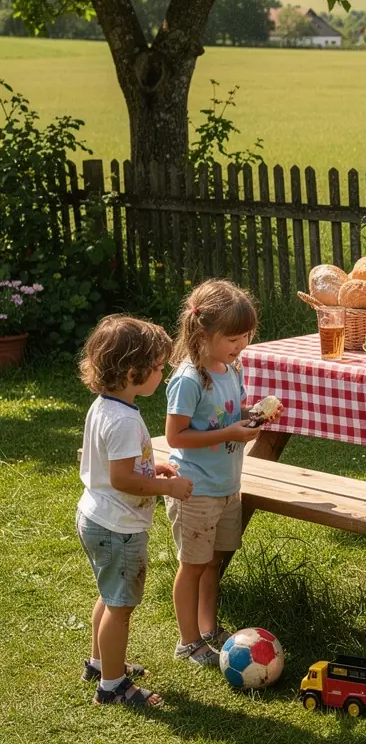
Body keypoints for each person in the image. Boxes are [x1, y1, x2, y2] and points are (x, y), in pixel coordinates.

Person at [77, 315, 193, 708]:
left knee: (109, 596)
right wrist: (167, 486)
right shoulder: (125, 420)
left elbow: (118, 468)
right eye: (158, 367)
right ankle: (112, 686)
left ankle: (98, 662)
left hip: (96, 515)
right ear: (132, 372)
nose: (162, 372)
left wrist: (152, 467)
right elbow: (123, 479)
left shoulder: (106, 406)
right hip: (117, 526)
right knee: (121, 607)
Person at [165, 279, 263, 666]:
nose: (241, 346)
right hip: (196, 488)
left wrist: (252, 418)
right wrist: (230, 432)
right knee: (192, 566)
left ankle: (208, 629)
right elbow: (176, 435)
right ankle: (187, 641)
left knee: (213, 562)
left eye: (246, 336)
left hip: (226, 484)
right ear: (203, 333)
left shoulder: (230, 368)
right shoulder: (189, 379)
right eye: (233, 338)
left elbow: (230, 414)